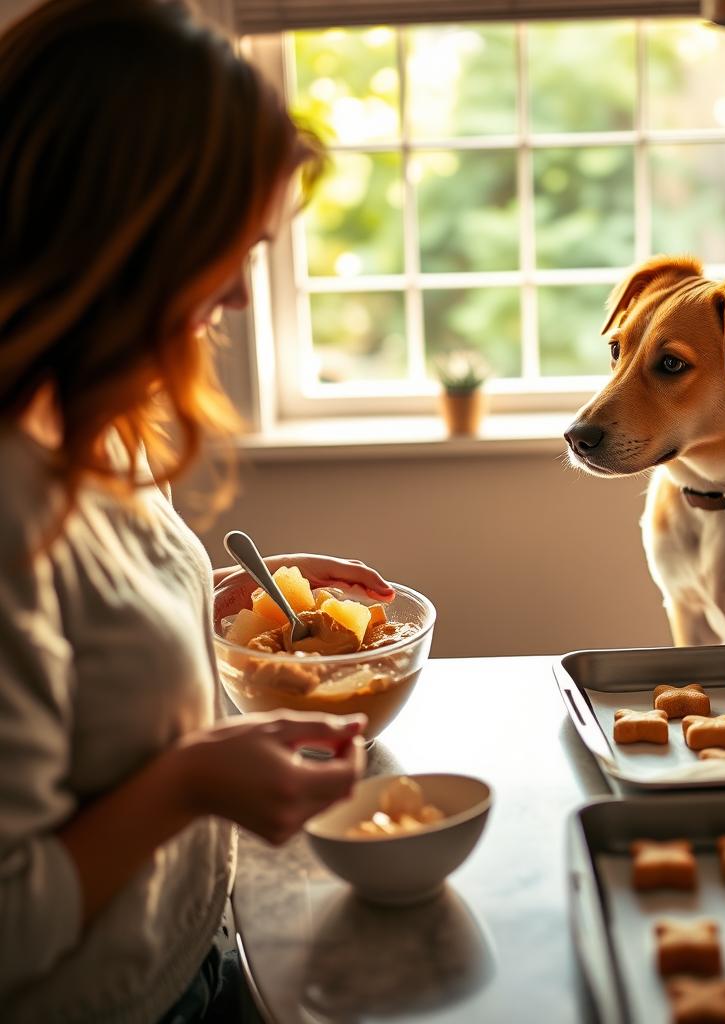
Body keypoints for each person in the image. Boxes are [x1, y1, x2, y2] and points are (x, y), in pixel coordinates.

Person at [0, 1, 389, 1020]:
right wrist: (189, 784)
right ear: (128, 230)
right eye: (235, 248)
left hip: (193, 953)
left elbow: (84, 640)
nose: (245, 297)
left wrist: (247, 599)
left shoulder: (99, 410)